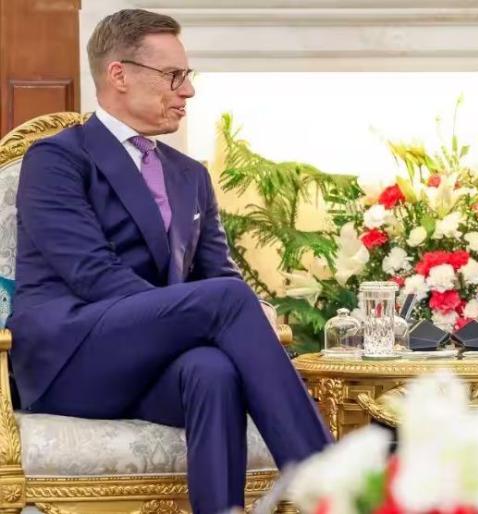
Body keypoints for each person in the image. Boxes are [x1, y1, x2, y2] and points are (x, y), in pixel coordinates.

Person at [9, 9, 331, 514]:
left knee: (213, 371)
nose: (188, 91)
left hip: (154, 363)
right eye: (173, 76)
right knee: (226, 302)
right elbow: (93, 275)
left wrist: (234, 313)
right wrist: (194, 317)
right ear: (119, 74)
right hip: (71, 360)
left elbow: (216, 272)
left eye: (187, 76)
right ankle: (333, 485)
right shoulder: (57, 158)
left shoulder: (190, 175)